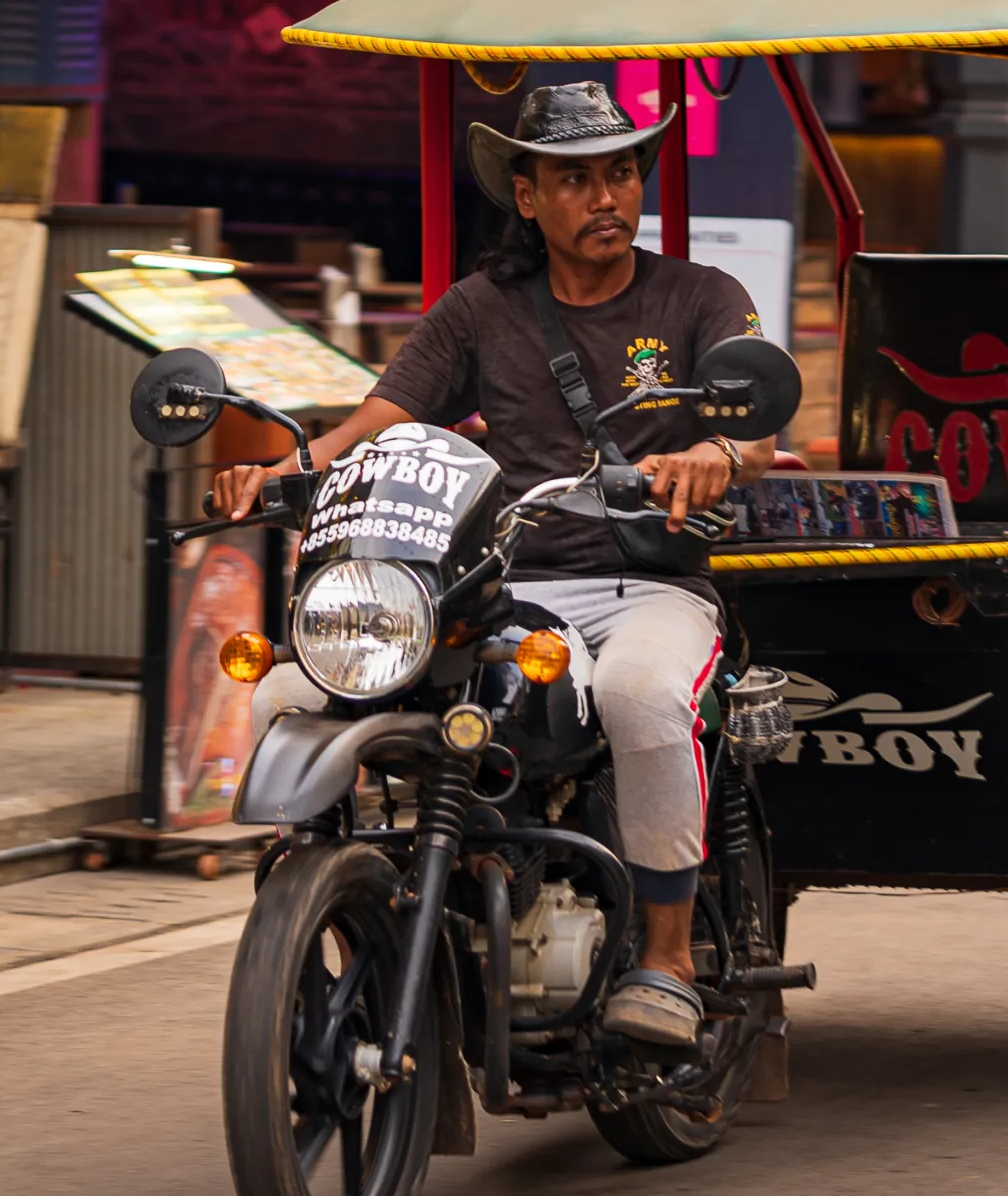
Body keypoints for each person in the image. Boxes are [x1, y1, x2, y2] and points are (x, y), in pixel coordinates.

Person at [216, 80, 773, 1049]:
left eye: (618, 173)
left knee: (644, 693)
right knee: (289, 694)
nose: (604, 197)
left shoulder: (699, 297)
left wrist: (713, 456)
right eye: (573, 179)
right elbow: (376, 424)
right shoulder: (479, 309)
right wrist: (282, 470)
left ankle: (668, 958)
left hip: (648, 586)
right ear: (526, 196)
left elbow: (754, 426)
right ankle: (329, 915)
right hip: (503, 589)